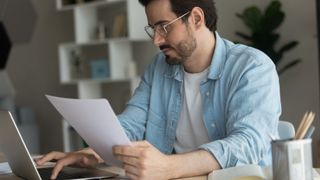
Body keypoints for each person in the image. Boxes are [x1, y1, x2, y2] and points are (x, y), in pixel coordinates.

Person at [37, 0, 281, 179]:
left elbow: (248, 143)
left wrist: (168, 167)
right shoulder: (159, 67)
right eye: (153, 28)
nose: (156, 40)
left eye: (164, 27)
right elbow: (132, 124)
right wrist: (93, 152)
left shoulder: (252, 67)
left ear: (196, 18)